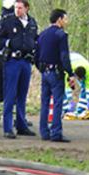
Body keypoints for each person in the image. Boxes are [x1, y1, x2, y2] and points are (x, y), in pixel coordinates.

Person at [0, 0, 38, 139]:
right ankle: (8, 128)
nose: (17, 10)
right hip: (12, 61)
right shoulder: (8, 21)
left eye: (20, 8)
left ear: (27, 8)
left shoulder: (32, 23)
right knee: (10, 95)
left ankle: (21, 126)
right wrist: (8, 43)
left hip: (26, 61)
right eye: (16, 7)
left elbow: (35, 39)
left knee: (22, 95)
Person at [36, 9, 74, 143]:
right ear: (59, 19)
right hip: (56, 72)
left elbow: (36, 55)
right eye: (65, 19)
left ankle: (44, 132)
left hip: (44, 72)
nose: (66, 21)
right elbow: (64, 56)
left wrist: (40, 68)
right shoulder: (61, 35)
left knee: (45, 102)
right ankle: (56, 133)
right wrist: (70, 73)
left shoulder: (42, 34)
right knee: (58, 103)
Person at [63, 52, 89, 117]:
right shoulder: (69, 69)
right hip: (68, 61)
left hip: (81, 61)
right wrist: (70, 100)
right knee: (61, 88)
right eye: (79, 79)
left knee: (84, 88)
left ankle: (81, 110)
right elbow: (66, 86)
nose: (80, 81)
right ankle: (65, 109)